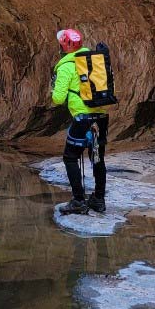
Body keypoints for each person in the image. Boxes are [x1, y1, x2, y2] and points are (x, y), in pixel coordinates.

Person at [50, 28, 109, 214]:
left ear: (63, 46)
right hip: (100, 116)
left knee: (70, 157)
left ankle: (78, 201)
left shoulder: (66, 66)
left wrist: (55, 88)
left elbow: (58, 98)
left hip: (82, 119)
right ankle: (98, 199)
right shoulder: (92, 60)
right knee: (97, 158)